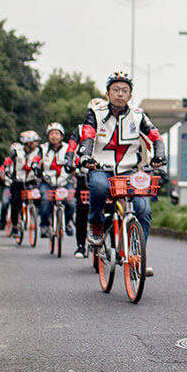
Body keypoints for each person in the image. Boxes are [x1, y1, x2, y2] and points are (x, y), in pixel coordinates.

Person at [78, 71, 166, 276]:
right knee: (99, 187)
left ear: (130, 95)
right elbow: (88, 135)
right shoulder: (95, 113)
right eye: (115, 90)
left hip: (130, 171)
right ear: (107, 93)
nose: (120, 94)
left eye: (124, 91)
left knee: (143, 209)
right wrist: (85, 156)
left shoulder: (138, 115)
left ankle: (138, 255)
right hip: (102, 168)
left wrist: (159, 156)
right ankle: (96, 225)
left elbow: (155, 137)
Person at [34, 122, 76, 238]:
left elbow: (76, 160)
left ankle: (67, 222)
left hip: (64, 182)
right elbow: (36, 159)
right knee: (45, 200)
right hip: (47, 182)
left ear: (61, 136)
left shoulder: (68, 148)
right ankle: (44, 225)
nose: (54, 136)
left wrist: (76, 168)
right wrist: (35, 165)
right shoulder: (42, 148)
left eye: (57, 133)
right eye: (51, 133)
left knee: (71, 203)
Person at [8, 131, 41, 234]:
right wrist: (7, 170)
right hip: (18, 180)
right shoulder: (17, 150)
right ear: (28, 142)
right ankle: (14, 225)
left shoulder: (38, 152)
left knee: (39, 198)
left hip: (32, 180)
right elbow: (9, 161)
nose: (36, 144)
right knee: (15, 202)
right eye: (34, 142)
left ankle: (34, 215)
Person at [64, 124, 89, 258]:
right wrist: (69, 161)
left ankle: (114, 246)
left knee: (111, 209)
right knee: (81, 210)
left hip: (109, 172)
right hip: (84, 175)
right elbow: (71, 148)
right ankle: (81, 245)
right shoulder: (81, 129)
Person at [0, 143, 19, 232]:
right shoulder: (8, 161)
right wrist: (1, 173)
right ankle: (2, 222)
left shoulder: (24, 160)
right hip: (9, 186)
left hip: (19, 185)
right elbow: (2, 168)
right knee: (5, 203)